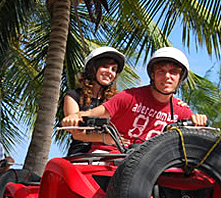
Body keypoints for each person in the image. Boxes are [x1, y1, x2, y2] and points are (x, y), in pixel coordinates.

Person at [62, 47, 208, 152]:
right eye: (161, 71)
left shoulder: (179, 108)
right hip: (98, 152)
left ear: (180, 78)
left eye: (173, 72)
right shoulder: (127, 97)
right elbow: (79, 125)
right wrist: (75, 117)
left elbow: (200, 139)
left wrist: (198, 121)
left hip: (146, 160)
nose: (167, 77)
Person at [64, 46, 125, 156]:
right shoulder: (73, 96)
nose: (109, 72)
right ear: (92, 69)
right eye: (105, 67)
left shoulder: (117, 100)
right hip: (81, 154)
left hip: (111, 154)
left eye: (113, 69)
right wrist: (106, 138)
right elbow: (76, 133)